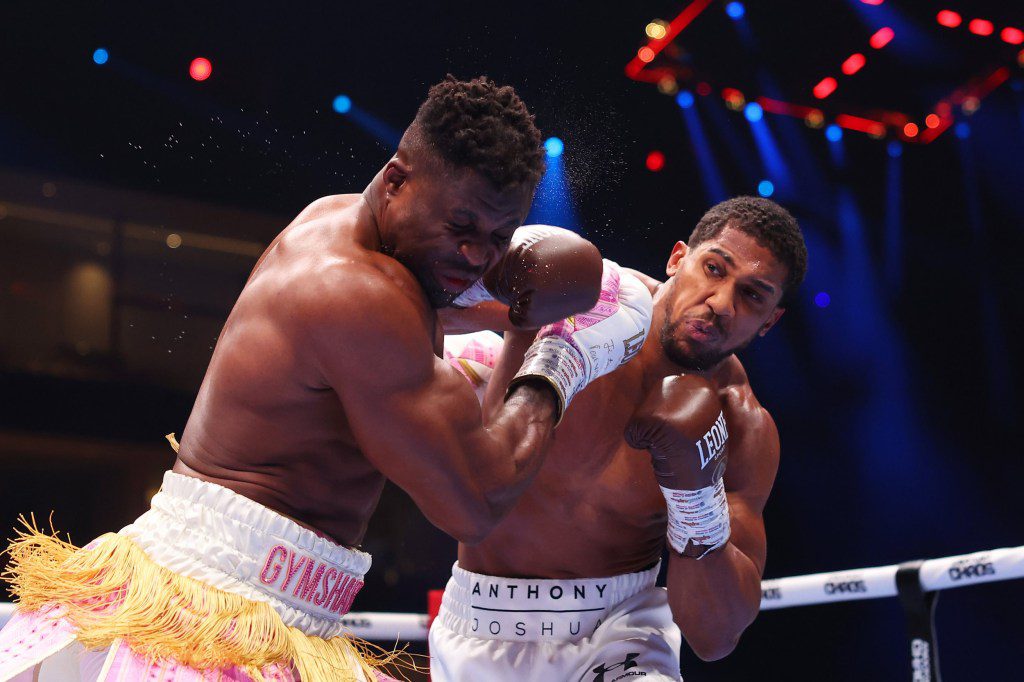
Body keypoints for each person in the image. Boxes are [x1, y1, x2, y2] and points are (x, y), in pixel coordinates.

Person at [0, 76, 652, 682]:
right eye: (461, 227)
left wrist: (604, 298)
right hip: (208, 611)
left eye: (499, 234)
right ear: (396, 181)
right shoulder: (356, 296)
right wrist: (561, 361)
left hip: (275, 611)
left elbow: (485, 298)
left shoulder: (358, 231)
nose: (479, 254)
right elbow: (475, 503)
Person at [431, 196, 808, 681]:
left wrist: (698, 501)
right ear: (678, 259)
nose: (720, 304)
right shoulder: (582, 297)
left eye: (753, 296)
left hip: (621, 632)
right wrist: (481, 356)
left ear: (770, 321)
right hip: (479, 620)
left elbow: (715, 636)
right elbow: (418, 313)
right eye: (714, 269)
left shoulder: (742, 426)